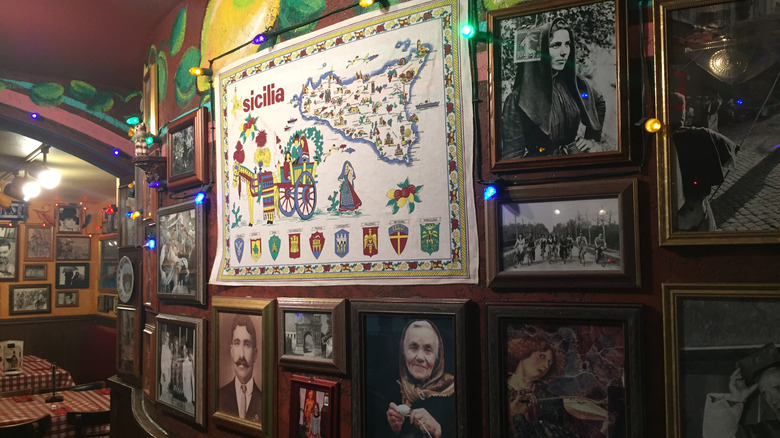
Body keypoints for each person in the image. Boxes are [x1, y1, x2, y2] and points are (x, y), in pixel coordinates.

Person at [501, 17, 605, 159]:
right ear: (542, 49)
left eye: (567, 44)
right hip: (543, 168)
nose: (564, 52)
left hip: (577, 160)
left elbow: (598, 101)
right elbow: (512, 156)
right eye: (555, 45)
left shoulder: (573, 84)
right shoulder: (516, 99)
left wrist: (591, 139)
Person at [507, 333, 611, 437]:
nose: (545, 366)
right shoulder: (500, 391)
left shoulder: (548, 397)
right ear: (524, 352)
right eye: (541, 356)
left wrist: (604, 416)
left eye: (549, 363)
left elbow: (573, 405)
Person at [385, 320, 455, 438]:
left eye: (428, 350)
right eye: (413, 347)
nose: (420, 357)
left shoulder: (455, 393)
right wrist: (394, 430)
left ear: (438, 357)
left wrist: (439, 431)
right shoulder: (390, 391)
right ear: (403, 352)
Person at [702, 344, 780, 438]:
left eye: (778, 388)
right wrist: (736, 398)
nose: (773, 401)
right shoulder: (767, 433)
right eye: (765, 394)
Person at [219, 314, 263, 423]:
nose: (241, 355)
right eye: (237, 343)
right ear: (231, 351)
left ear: (255, 354)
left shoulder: (265, 402)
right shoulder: (219, 396)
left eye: (247, 345)